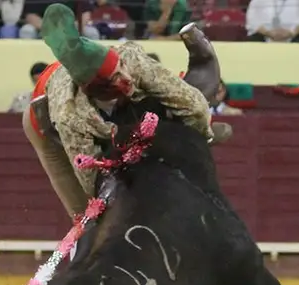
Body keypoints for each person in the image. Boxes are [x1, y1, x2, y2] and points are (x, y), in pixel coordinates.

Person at [24, 3, 218, 219]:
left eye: (121, 68)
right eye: (116, 77)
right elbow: (92, 181)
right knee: (88, 215)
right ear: (98, 90)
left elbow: (195, 106)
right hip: (46, 127)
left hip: (115, 111)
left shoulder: (132, 60)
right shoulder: (70, 115)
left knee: (174, 109)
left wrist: (200, 136)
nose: (126, 76)